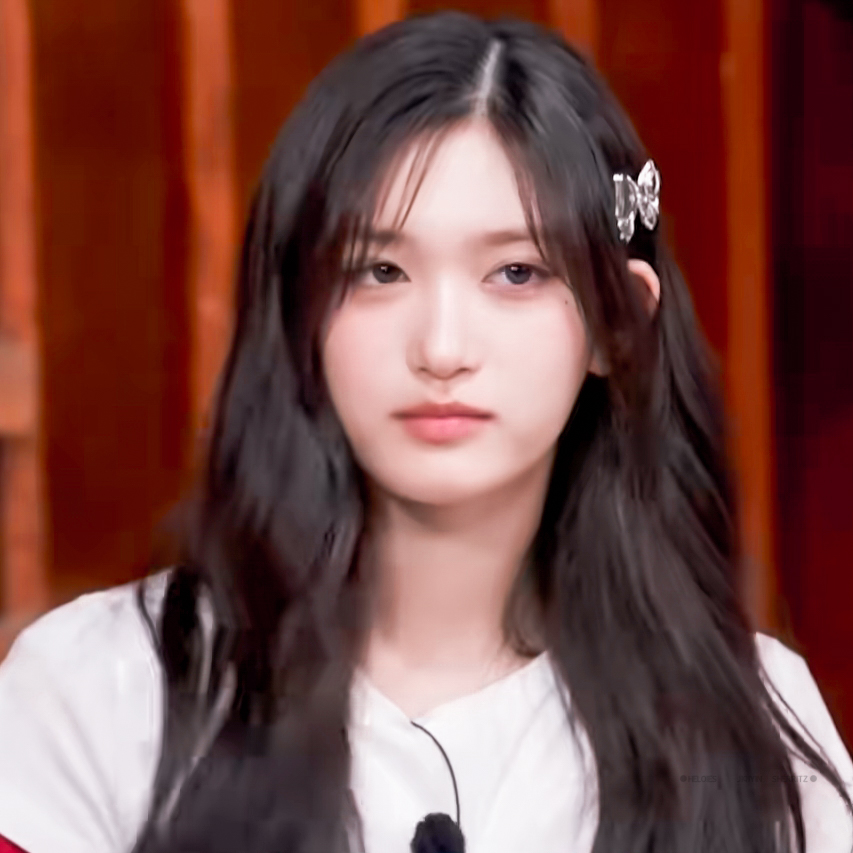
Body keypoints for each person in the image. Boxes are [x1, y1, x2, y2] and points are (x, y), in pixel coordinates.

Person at [0, 10, 851, 853]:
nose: (441, 348)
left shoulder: (752, 726)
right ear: (298, 313)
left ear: (615, 326)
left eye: (514, 272)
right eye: (380, 270)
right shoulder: (99, 692)